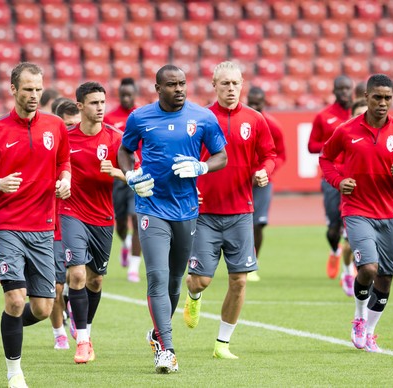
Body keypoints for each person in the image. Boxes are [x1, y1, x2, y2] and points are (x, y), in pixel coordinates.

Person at [0, 62, 71, 388]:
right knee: (14, 299)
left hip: (43, 227)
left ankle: (8, 325)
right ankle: (14, 373)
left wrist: (65, 179)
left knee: (41, 308)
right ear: (13, 89)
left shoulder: (55, 126)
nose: (34, 95)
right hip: (7, 225)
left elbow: (64, 161)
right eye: (28, 89)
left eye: (38, 89)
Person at [118, 64, 227, 374]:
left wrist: (202, 167)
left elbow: (221, 155)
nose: (179, 89)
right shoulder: (140, 117)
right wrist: (130, 175)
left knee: (175, 280)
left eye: (182, 84)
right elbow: (125, 151)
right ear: (158, 88)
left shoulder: (204, 117)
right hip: (151, 206)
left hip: (187, 208)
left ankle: (156, 333)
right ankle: (167, 349)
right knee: (157, 276)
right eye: (171, 85)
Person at [319, 74, 393, 353]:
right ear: (365, 97)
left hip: (388, 212)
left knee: (386, 277)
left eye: (387, 98)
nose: (382, 103)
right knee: (368, 267)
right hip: (356, 210)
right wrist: (339, 181)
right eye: (377, 97)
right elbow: (326, 158)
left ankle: (370, 331)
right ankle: (359, 317)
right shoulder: (346, 130)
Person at [183, 61, 276, 359]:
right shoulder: (199, 118)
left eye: (236, 83)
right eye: (225, 84)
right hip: (205, 212)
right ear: (214, 85)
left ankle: (222, 344)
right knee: (201, 280)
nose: (231, 89)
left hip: (241, 212)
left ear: (242, 84)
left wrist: (265, 170)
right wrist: (190, 186)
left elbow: (269, 155)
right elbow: (184, 156)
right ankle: (194, 295)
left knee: (239, 280)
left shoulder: (255, 119)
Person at [61, 81, 126, 364]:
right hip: (71, 211)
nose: (100, 108)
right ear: (80, 106)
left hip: (102, 216)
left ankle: (84, 326)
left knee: (96, 280)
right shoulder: (65, 138)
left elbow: (137, 175)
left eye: (102, 102)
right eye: (94, 103)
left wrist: (117, 172)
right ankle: (83, 341)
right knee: (77, 275)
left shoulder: (116, 139)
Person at [308, 75, 354, 280]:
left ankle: (350, 263)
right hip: (331, 177)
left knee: (353, 222)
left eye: (347, 88)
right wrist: (333, 143)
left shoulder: (359, 114)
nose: (344, 92)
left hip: (354, 176)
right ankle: (335, 251)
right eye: (340, 89)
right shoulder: (323, 116)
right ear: (334, 91)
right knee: (333, 228)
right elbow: (311, 145)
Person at [48, 97, 81, 351]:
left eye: (75, 124)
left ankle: (74, 304)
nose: (72, 130)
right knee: (57, 285)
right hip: (54, 224)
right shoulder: (48, 148)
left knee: (82, 277)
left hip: (83, 221)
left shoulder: (85, 145)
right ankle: (59, 332)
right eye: (67, 125)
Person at [245, 86, 286, 282]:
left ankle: (253, 264)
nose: (254, 105)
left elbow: (280, 155)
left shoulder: (273, 125)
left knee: (258, 224)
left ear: (264, 102)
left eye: (257, 102)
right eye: (250, 101)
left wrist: (265, 172)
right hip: (240, 181)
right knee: (237, 223)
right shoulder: (241, 121)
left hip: (262, 182)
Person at [104, 78, 142, 282]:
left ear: (135, 94)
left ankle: (134, 268)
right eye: (123, 95)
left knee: (136, 218)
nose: (127, 98)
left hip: (138, 175)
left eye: (130, 94)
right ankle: (125, 242)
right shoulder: (110, 118)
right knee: (119, 222)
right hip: (117, 176)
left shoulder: (142, 116)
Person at [338, 98, 369, 297]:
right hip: (349, 197)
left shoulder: (380, 136)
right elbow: (331, 161)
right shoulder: (345, 136)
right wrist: (342, 178)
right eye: (358, 114)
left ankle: (363, 275)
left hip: (374, 199)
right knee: (349, 243)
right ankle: (348, 271)